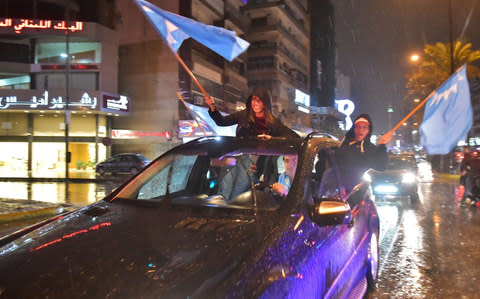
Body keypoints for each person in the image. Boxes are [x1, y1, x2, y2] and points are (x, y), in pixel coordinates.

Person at [205, 86, 299, 139]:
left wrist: (271, 138)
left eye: (259, 100)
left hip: (263, 159)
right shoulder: (243, 115)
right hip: (243, 156)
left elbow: (293, 137)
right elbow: (221, 121)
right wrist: (212, 106)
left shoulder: (273, 122)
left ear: (265, 103)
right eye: (254, 99)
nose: (256, 103)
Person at [336, 114, 392, 192]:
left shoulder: (371, 149)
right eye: (358, 127)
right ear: (354, 129)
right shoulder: (344, 145)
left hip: (360, 192)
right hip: (340, 191)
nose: (361, 130)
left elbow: (381, 166)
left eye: (365, 127)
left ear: (369, 130)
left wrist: (382, 145)